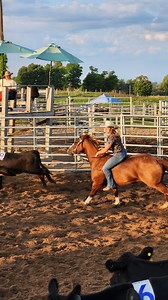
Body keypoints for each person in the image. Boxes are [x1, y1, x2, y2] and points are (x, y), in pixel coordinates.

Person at [95, 120, 127, 191]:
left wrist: (98, 153)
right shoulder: (114, 135)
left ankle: (110, 184)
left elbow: (106, 149)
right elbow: (108, 147)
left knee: (105, 168)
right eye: (105, 128)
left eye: (107, 128)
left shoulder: (111, 137)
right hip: (123, 152)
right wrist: (103, 149)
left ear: (111, 128)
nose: (105, 129)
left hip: (119, 155)